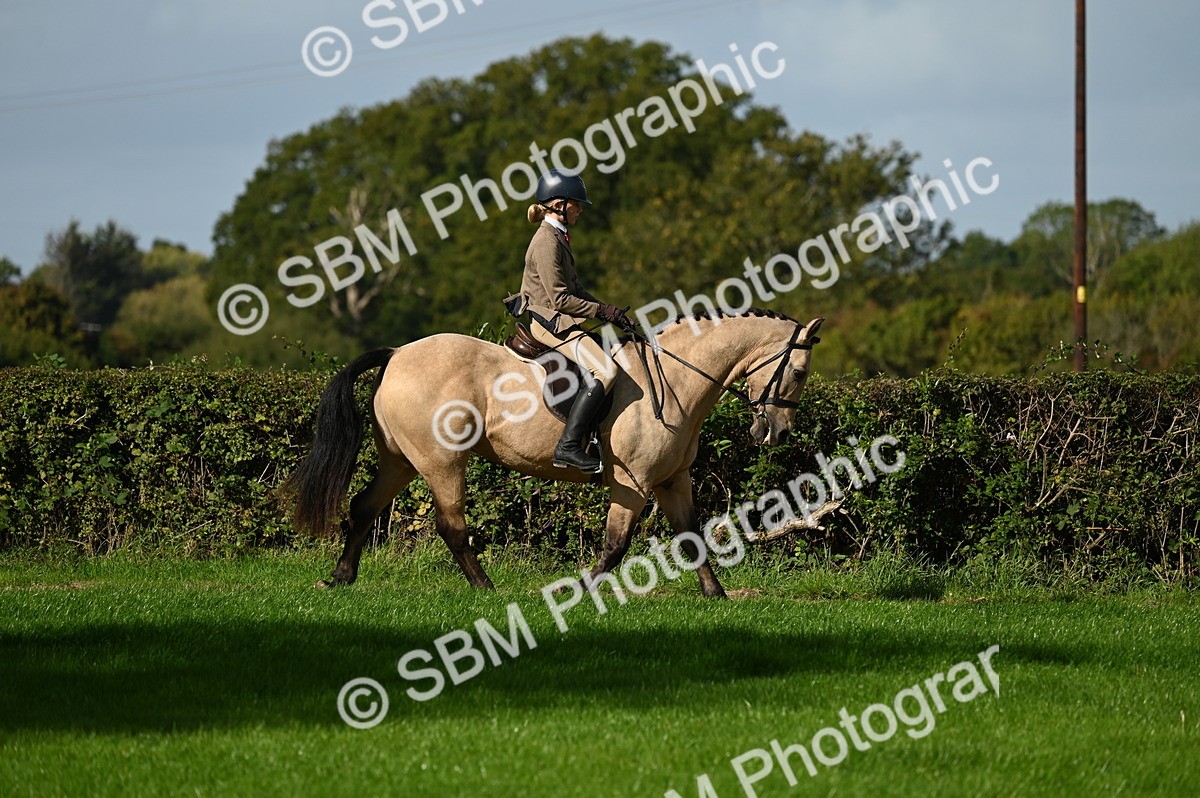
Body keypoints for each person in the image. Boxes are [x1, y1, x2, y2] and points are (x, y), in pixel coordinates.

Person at [509, 169, 634, 474]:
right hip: (549, 322)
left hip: (559, 318)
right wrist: (602, 312)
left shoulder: (557, 237)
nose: (580, 209)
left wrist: (609, 310)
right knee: (605, 371)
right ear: (561, 205)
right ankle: (567, 446)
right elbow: (559, 300)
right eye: (577, 204)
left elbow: (575, 290)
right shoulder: (546, 242)